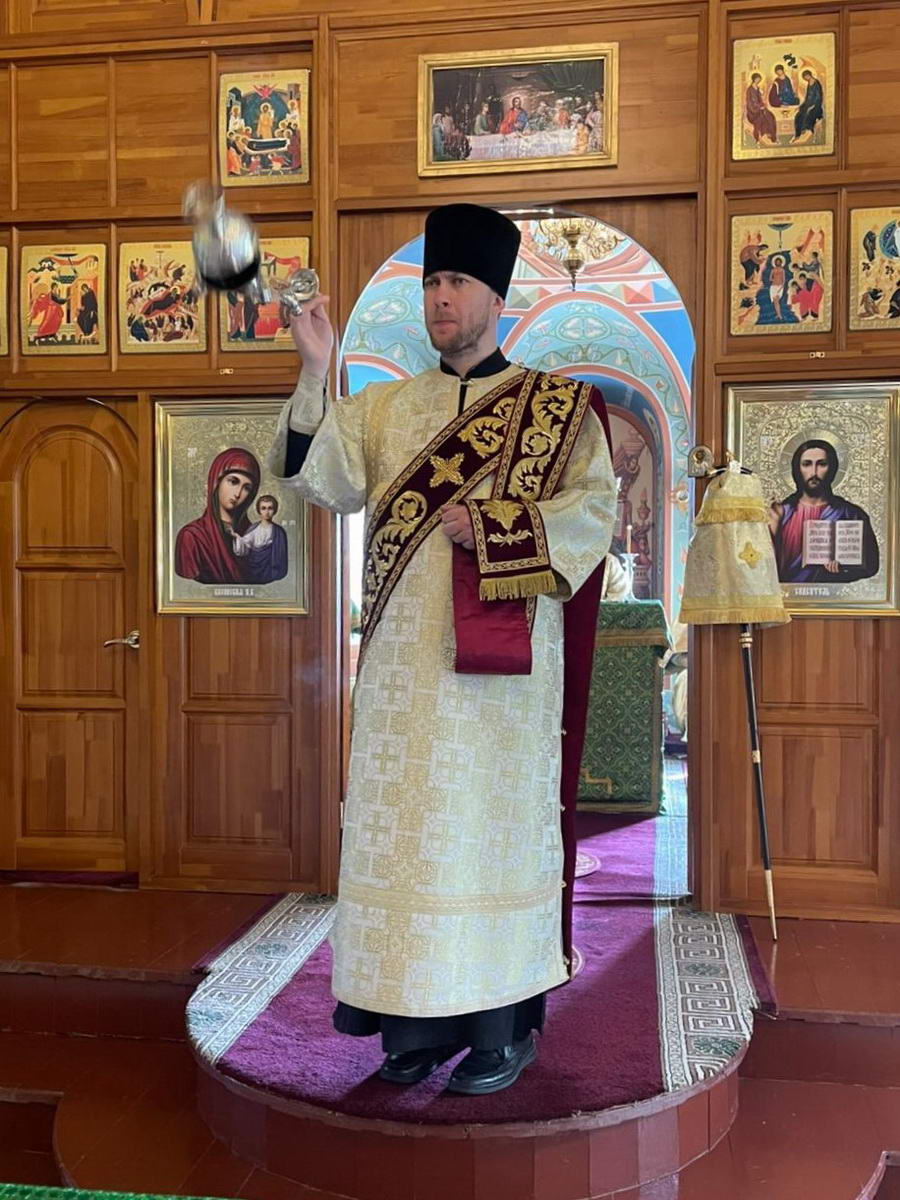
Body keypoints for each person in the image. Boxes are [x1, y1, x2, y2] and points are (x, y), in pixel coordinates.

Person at [268, 203, 616, 1096]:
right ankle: (411, 1031)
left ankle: (502, 1032)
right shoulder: (384, 408)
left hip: (502, 689)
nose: (440, 298)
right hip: (401, 682)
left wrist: (497, 526)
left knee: (482, 842)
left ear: (496, 297)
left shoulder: (558, 410)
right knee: (410, 842)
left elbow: (592, 517)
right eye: (430, 283)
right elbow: (317, 480)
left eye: (457, 282)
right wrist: (315, 367)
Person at [768, 439, 879, 584]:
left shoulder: (852, 514)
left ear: (832, 468)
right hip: (786, 596)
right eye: (807, 464)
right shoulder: (781, 514)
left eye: (822, 464)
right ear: (797, 469)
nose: (814, 472)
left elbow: (871, 565)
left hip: (831, 596)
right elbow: (762, 566)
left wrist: (842, 570)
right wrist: (771, 530)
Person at [175, 448, 260, 584]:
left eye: (247, 488)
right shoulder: (192, 537)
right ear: (216, 482)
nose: (238, 494)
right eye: (233, 482)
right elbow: (186, 588)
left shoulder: (253, 535)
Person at [230, 493, 288, 583]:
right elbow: (245, 544)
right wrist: (236, 536)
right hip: (253, 568)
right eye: (263, 508)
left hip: (270, 569)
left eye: (270, 508)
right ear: (259, 510)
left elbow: (281, 556)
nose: (267, 512)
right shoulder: (254, 529)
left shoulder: (279, 532)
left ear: (275, 510)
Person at [745, 72, 777, 144]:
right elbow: (749, 103)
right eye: (757, 79)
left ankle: (772, 136)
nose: (758, 81)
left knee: (771, 117)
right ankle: (758, 138)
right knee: (759, 120)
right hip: (753, 112)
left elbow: (760, 100)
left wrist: (763, 105)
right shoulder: (749, 90)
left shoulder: (758, 88)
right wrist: (758, 108)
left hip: (760, 108)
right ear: (754, 79)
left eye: (759, 79)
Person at [793, 69, 824, 142]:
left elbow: (819, 97)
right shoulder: (809, 84)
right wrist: (801, 106)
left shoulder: (816, 83)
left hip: (816, 106)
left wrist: (813, 106)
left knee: (808, 114)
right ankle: (798, 134)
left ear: (809, 75)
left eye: (806, 77)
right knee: (798, 116)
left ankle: (805, 130)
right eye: (804, 78)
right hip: (808, 104)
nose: (806, 79)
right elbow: (807, 98)